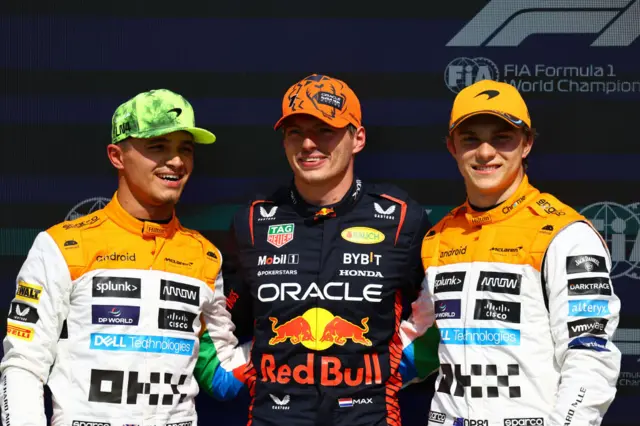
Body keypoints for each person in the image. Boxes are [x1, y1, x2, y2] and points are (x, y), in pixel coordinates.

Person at [0, 89, 247, 426]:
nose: (176, 161)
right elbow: (24, 364)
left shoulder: (204, 256)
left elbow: (221, 377)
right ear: (117, 156)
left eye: (185, 149)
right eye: (158, 147)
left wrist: (282, 332)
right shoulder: (62, 244)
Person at [222, 73, 440, 426]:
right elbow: (216, 320)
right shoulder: (252, 221)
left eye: (325, 130)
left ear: (358, 138)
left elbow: (440, 314)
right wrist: (239, 373)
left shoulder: (402, 219)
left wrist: (393, 366)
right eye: (296, 132)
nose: (308, 144)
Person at [409, 79, 621, 426]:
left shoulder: (565, 234)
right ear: (452, 147)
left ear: (526, 144)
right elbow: (425, 343)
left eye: (501, 137)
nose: (485, 152)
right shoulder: (438, 236)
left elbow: (591, 357)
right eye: (471, 139)